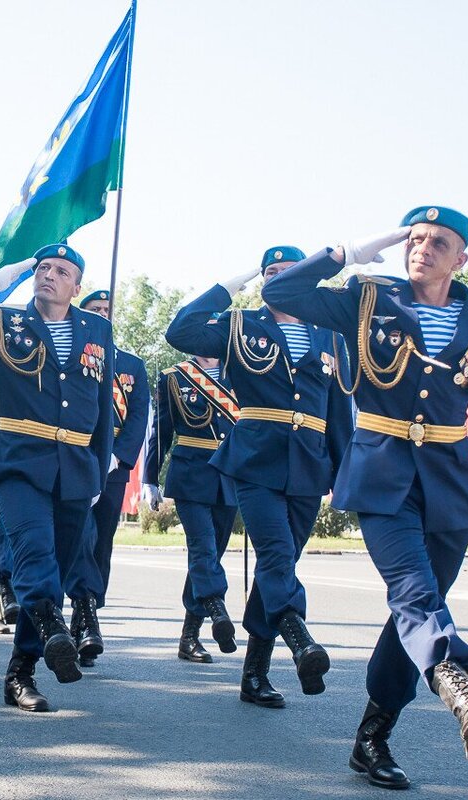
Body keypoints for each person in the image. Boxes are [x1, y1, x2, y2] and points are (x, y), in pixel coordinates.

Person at [262, 207, 468, 787]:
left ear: (462, 259)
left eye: (439, 243)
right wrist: (351, 251)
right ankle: (458, 683)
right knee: (413, 591)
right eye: (416, 238)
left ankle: (372, 736)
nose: (422, 248)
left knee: (414, 610)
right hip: (382, 477)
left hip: (453, 484)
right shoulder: (367, 298)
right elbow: (281, 289)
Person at [0, 243, 114, 713]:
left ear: (76, 286)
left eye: (61, 271)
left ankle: (20, 672)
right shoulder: (3, 323)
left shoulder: (98, 330)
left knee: (63, 563)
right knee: (34, 552)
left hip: (75, 466)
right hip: (18, 461)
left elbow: (103, 407)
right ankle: (53, 626)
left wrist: (99, 471)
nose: (49, 274)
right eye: (43, 267)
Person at [167, 246, 354, 711]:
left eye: (288, 274)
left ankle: (255, 673)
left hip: (309, 463)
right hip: (254, 459)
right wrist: (229, 285)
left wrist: (346, 471)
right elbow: (180, 330)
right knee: (276, 552)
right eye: (270, 274)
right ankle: (299, 638)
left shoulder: (329, 334)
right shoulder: (240, 326)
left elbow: (338, 411)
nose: (277, 281)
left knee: (281, 565)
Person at [63, 289, 150, 667]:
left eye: (106, 309)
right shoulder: (74, 356)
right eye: (94, 309)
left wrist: (118, 458)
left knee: (102, 541)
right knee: (80, 534)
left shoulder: (132, 365)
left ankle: (86, 613)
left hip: (113, 466)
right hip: (78, 458)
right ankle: (87, 616)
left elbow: (137, 419)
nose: (101, 313)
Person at [141, 351, 240, 663]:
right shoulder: (175, 377)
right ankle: (216, 606)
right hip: (190, 475)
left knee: (212, 554)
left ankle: (189, 635)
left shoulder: (241, 371)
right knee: (203, 548)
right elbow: (162, 430)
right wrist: (150, 478)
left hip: (229, 475)